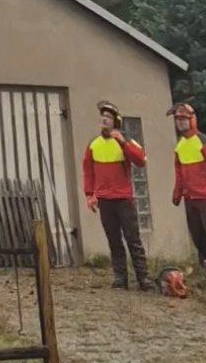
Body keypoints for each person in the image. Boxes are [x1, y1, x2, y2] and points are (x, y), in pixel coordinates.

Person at [82, 100, 150, 289]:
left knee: (132, 239)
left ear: (115, 122)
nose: (104, 119)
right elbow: (88, 171)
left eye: (109, 117)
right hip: (104, 200)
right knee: (113, 240)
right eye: (103, 116)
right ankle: (120, 278)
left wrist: (122, 141)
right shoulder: (93, 145)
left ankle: (143, 278)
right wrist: (89, 195)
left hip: (123, 199)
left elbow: (140, 160)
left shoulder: (125, 142)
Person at [171, 102, 206, 267]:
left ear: (192, 119)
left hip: (204, 197)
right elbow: (179, 172)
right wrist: (177, 193)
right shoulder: (179, 146)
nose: (180, 122)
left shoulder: (202, 141)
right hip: (190, 198)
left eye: (183, 119)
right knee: (197, 237)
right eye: (177, 119)